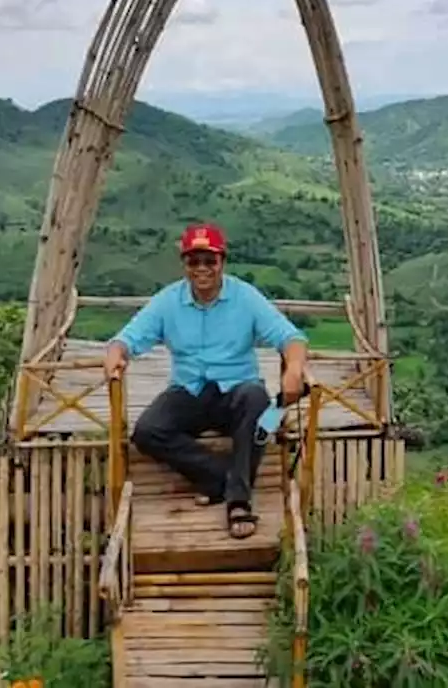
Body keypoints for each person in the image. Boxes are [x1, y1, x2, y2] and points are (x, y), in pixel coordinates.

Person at [103, 222, 309, 540]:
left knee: (262, 411)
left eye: (209, 261)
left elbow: (290, 337)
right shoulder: (168, 300)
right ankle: (223, 477)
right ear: (184, 264)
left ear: (222, 262)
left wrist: (293, 370)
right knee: (146, 431)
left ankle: (238, 502)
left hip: (239, 391)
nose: (202, 269)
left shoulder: (245, 296)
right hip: (190, 390)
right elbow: (128, 337)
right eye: (193, 261)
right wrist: (116, 352)